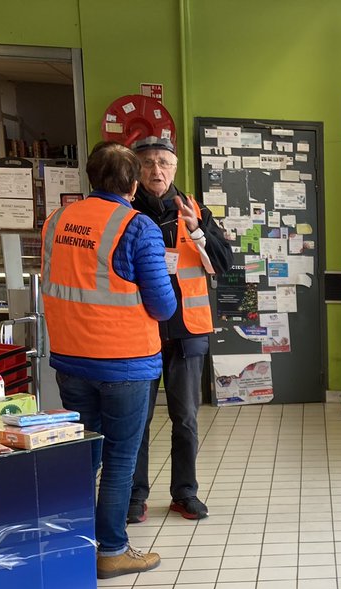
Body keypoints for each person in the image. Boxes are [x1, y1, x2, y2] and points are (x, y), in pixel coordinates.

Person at [40, 141, 177, 578]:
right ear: (133, 184)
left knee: (84, 453)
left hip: (70, 360)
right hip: (124, 362)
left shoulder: (57, 221)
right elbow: (162, 306)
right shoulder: (136, 227)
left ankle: (75, 542)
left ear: (90, 177)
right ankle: (112, 548)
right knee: (120, 456)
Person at [127, 135, 233, 523]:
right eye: (148, 162)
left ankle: (184, 492)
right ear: (136, 168)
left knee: (185, 418)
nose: (157, 170)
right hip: (138, 331)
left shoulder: (195, 209)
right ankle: (134, 495)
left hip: (187, 331)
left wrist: (199, 229)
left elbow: (222, 264)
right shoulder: (125, 210)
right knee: (137, 420)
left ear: (174, 167)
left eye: (164, 163)